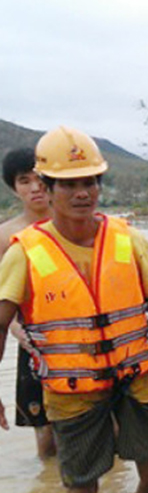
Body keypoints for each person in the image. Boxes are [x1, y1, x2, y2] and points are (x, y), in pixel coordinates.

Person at [0, 126, 148, 493]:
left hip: (135, 376)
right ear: (47, 188)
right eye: (69, 184)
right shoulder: (24, 253)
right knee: (83, 492)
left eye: (90, 182)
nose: (83, 192)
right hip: (72, 387)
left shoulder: (127, 239)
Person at [1, 148, 56, 458]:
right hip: (32, 340)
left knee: (105, 425)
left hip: (80, 336)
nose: (35, 188)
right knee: (46, 436)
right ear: (14, 187)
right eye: (25, 181)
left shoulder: (74, 225)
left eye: (40, 179)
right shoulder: (6, 236)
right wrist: (15, 329)